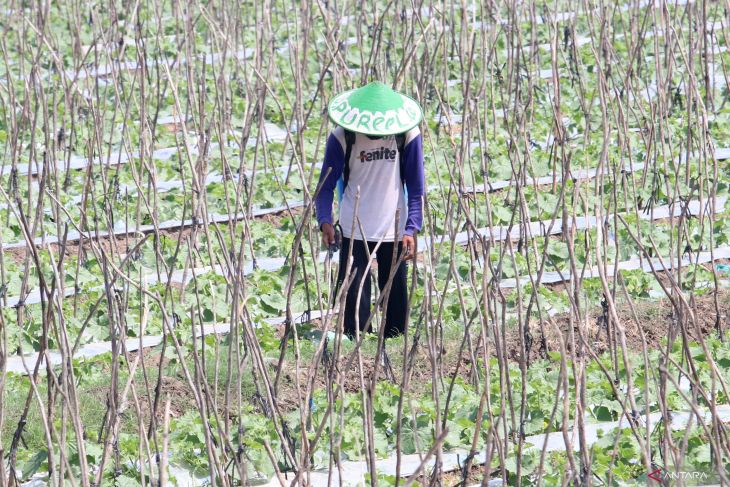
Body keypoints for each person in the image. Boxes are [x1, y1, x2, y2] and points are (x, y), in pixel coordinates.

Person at [314, 81, 425, 338]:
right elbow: (325, 186)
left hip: (394, 229)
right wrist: (325, 221)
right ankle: (358, 359)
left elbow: (416, 187)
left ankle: (394, 355)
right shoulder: (343, 136)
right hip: (355, 227)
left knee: (396, 318)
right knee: (355, 317)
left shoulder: (407, 134)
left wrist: (412, 227)